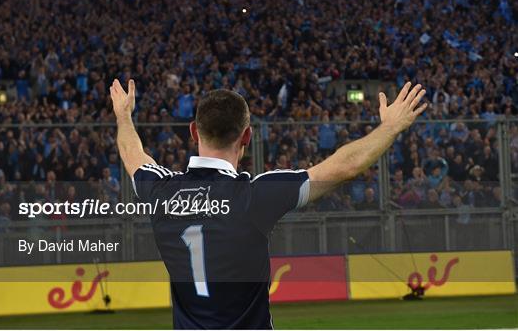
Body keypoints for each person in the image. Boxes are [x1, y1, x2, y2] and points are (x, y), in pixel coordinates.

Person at [111, 79, 427, 329]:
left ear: (194, 131)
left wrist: (124, 115)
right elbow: (344, 168)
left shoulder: (161, 191)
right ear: (247, 136)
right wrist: (390, 127)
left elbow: (132, 155)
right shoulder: (255, 195)